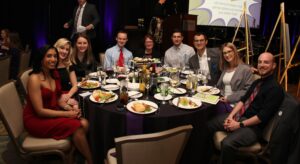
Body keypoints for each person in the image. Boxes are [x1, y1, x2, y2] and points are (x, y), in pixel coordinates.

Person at [207, 52, 285, 164]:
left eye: (266, 62)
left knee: (227, 143)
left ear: (274, 65)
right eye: (260, 62)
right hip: (240, 117)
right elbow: (243, 100)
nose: (262, 65)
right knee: (209, 125)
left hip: (253, 128)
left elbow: (261, 117)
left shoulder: (275, 89)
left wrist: (239, 124)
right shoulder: (257, 82)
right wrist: (231, 116)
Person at [23, 45, 93, 164]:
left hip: (52, 112)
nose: (53, 59)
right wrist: (67, 114)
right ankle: (91, 161)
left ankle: (70, 153)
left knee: (85, 123)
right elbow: (40, 111)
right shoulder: (34, 78)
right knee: (81, 126)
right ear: (41, 58)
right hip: (37, 120)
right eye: (49, 56)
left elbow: (58, 97)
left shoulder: (53, 73)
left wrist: (69, 108)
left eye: (55, 56)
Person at [215, 42, 254, 114]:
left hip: (236, 104)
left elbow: (248, 90)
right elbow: (220, 87)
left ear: (235, 52)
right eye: (224, 53)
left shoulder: (245, 69)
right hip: (223, 100)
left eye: (229, 51)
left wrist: (228, 98)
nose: (227, 55)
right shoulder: (225, 68)